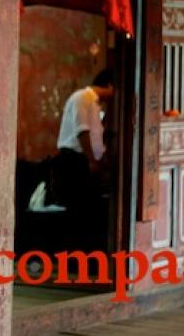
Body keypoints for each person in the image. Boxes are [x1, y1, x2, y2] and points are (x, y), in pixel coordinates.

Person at [52, 69, 114, 253]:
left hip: (83, 160)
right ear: (110, 85)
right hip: (74, 161)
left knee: (87, 211)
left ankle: (84, 256)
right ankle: (73, 257)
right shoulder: (83, 98)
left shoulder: (95, 104)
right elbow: (83, 132)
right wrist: (92, 161)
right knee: (77, 211)